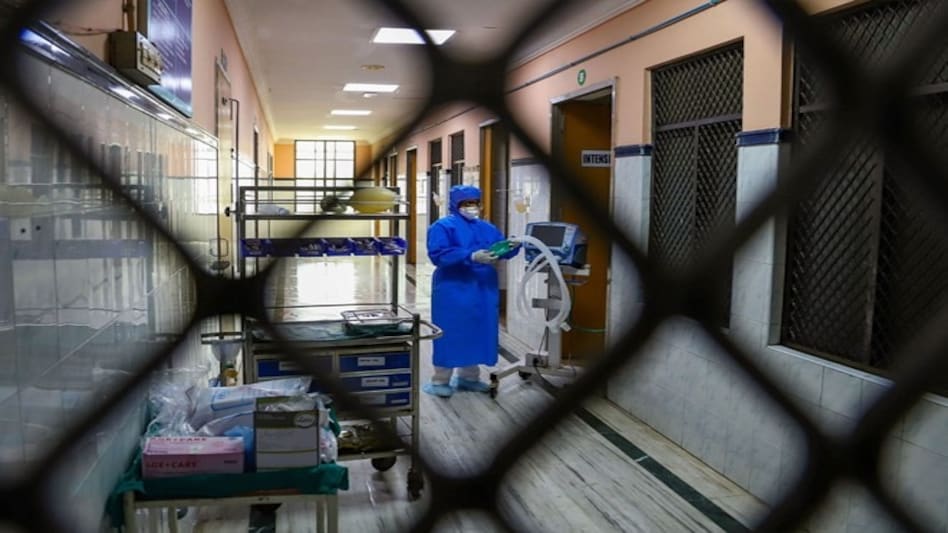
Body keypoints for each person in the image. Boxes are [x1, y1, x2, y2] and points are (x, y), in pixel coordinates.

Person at [424, 184, 520, 397]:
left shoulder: (486, 228)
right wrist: (470, 256)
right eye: (466, 203)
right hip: (453, 289)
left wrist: (511, 246)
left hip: (482, 288)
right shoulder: (443, 226)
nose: (472, 207)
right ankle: (440, 380)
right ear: (455, 205)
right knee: (450, 332)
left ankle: (469, 377)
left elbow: (499, 250)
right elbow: (438, 254)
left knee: (477, 331)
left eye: (475, 203)